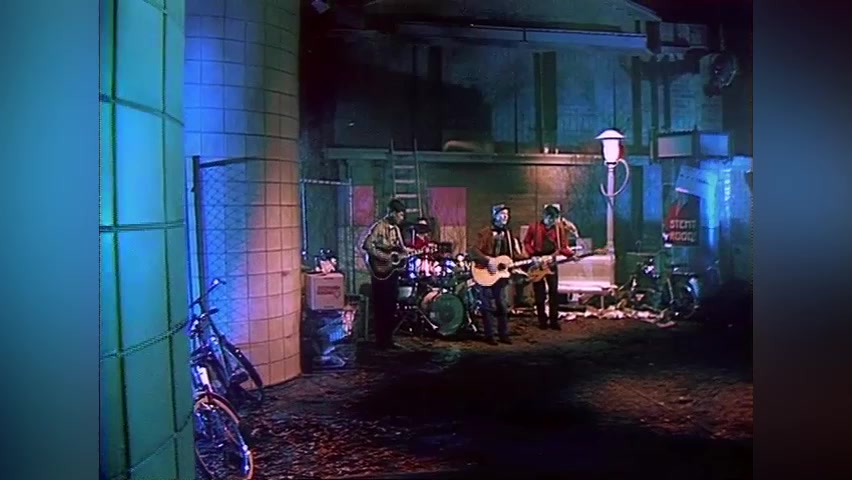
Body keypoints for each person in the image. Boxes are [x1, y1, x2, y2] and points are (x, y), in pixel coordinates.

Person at [468, 204, 527, 345]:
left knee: (502, 305)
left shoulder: (509, 235)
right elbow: (473, 251)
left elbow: (513, 255)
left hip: (500, 275)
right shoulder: (485, 233)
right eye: (502, 214)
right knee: (487, 306)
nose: (505, 217)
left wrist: (530, 260)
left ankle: (503, 334)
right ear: (495, 216)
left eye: (507, 214)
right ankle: (489, 335)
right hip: (484, 273)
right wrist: (488, 260)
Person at [362, 198, 409, 349]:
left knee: (391, 306)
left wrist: (412, 252)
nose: (402, 218)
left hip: (392, 273)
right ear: (392, 213)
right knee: (381, 306)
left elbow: (401, 249)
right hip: (380, 272)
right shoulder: (379, 227)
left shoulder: (396, 230)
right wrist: (384, 257)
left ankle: (388, 339)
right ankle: (380, 340)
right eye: (400, 215)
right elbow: (367, 245)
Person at [523, 205, 575, 330]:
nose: (552, 222)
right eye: (550, 218)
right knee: (539, 293)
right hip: (537, 261)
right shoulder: (534, 227)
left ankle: (554, 320)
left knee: (553, 292)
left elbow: (562, 247)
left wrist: (571, 254)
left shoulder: (559, 229)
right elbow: (526, 242)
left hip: (551, 262)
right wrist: (533, 255)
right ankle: (542, 320)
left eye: (554, 219)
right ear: (544, 216)